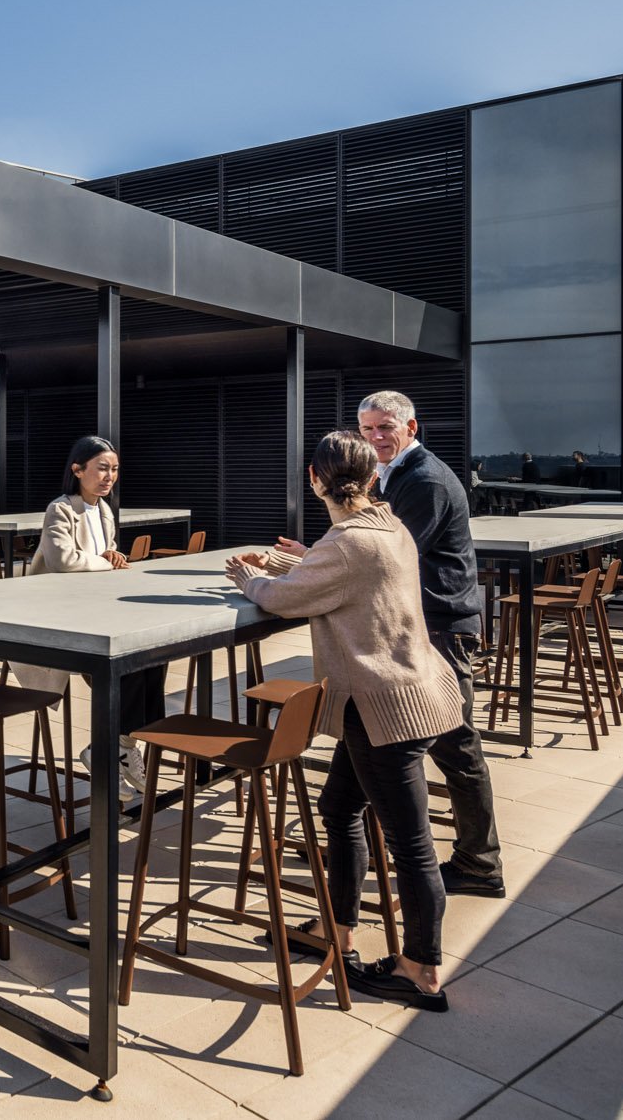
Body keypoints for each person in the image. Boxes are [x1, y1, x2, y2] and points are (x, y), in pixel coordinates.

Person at [227, 431, 464, 1011]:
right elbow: (343, 574)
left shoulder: (349, 543)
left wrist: (248, 577)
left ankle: (421, 971)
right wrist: (289, 560)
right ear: (374, 478)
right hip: (418, 691)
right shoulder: (388, 526)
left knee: (411, 845)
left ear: (314, 480)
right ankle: (338, 933)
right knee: (339, 809)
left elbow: (284, 598)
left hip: (386, 707)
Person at [349, 390, 503, 899]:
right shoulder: (395, 475)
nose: (375, 438)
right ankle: (348, 836)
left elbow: (387, 556)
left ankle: (480, 865)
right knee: (378, 737)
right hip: (425, 624)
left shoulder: (425, 480)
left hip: (441, 628)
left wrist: (323, 564)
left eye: (385, 428)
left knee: (456, 748)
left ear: (412, 428)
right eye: (366, 429)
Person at [25, 435, 165, 795]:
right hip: (61, 622)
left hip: (97, 613)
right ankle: (112, 750)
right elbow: (63, 561)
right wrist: (106, 562)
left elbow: (105, 552)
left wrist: (114, 556)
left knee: (153, 655)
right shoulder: (61, 509)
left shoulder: (104, 510)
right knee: (129, 665)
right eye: (102, 468)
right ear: (78, 469)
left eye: (115, 469)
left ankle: (118, 747)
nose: (110, 476)